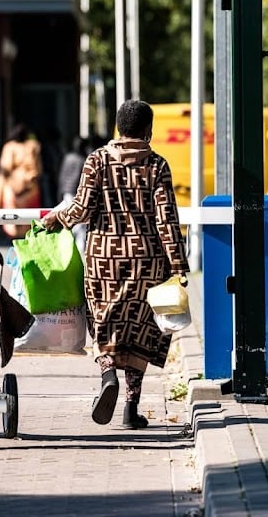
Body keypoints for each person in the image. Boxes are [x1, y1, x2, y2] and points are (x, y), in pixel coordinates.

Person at [39, 100, 190, 429]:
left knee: (105, 323)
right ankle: (130, 408)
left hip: (103, 260)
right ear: (148, 131)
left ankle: (108, 374)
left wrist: (55, 218)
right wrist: (179, 266)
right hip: (147, 263)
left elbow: (80, 208)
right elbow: (166, 221)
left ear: (118, 128)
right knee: (139, 331)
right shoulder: (157, 165)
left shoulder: (97, 160)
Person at [0, 122, 42, 238]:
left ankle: (14, 236)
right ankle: (26, 237)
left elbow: (5, 168)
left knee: (10, 216)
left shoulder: (9, 147)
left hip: (12, 186)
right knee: (29, 216)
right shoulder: (33, 146)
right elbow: (38, 168)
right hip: (30, 186)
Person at [57, 135, 91, 251]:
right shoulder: (83, 160)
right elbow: (81, 179)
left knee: (69, 217)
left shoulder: (68, 157)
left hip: (66, 191)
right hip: (76, 192)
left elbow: (62, 175)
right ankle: (80, 246)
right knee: (79, 220)